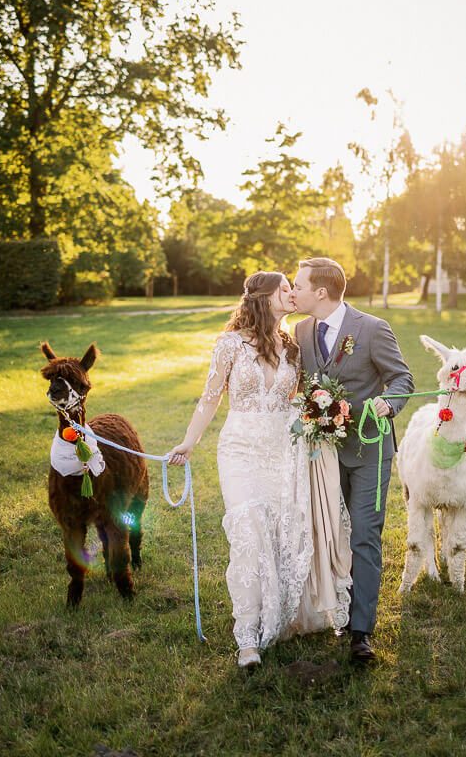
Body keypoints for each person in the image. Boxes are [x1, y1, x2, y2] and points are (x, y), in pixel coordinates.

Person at [167, 271, 351, 668]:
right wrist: (189, 442)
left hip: (284, 451)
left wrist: (322, 411)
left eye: (293, 288)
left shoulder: (293, 346)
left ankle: (283, 614)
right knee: (248, 532)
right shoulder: (229, 344)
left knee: (283, 532)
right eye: (285, 289)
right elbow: (210, 397)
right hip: (240, 450)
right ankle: (247, 638)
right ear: (263, 297)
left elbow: (299, 397)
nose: (291, 294)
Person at [292, 257, 414, 663]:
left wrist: (389, 402)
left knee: (363, 534)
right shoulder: (302, 330)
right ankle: (334, 607)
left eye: (299, 284)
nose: (294, 291)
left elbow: (402, 379)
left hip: (368, 451)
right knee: (329, 535)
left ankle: (360, 630)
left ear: (321, 292)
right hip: (322, 455)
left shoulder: (372, 328)